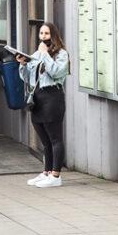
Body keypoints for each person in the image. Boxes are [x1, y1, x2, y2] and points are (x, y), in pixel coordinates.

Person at [17, 22, 68, 188]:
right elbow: (27, 77)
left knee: (55, 138)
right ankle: (46, 172)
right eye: (41, 34)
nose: (43, 37)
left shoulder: (61, 54)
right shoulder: (37, 54)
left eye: (46, 34)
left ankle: (56, 175)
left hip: (53, 97)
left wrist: (45, 54)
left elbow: (56, 72)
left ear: (53, 35)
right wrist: (23, 64)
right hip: (38, 98)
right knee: (45, 140)